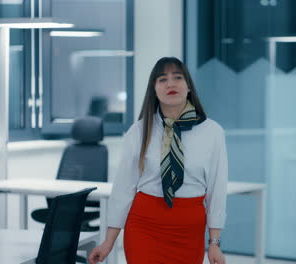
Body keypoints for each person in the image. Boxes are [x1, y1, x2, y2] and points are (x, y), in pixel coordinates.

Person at [88, 57, 227, 264]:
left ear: (188, 86)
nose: (170, 84)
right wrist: (108, 241)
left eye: (177, 78)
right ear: (154, 89)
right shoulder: (139, 131)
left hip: (189, 231)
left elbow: (217, 190)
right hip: (145, 227)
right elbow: (123, 189)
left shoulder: (212, 132)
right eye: (162, 79)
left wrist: (214, 243)